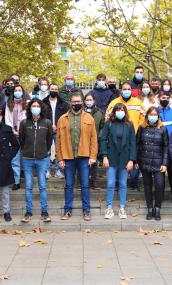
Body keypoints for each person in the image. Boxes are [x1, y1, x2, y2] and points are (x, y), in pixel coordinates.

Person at [56, 92, 98, 221]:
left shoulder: (89, 118)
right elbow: (58, 141)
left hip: (84, 156)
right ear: (70, 102)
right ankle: (67, 210)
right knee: (69, 185)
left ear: (82, 102)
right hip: (68, 157)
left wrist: (93, 156)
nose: (76, 103)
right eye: (74, 101)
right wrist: (60, 158)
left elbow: (94, 139)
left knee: (85, 185)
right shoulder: (62, 119)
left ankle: (86, 211)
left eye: (78, 101)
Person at [106, 82, 146, 190]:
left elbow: (144, 117)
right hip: (117, 136)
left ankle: (133, 181)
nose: (127, 91)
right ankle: (118, 183)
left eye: (129, 89)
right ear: (121, 90)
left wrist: (138, 128)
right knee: (118, 159)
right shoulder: (114, 103)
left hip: (135, 135)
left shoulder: (138, 103)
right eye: (125, 89)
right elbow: (107, 118)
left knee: (132, 157)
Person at [20, 99, 53, 223]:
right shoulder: (24, 123)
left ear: (41, 108)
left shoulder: (47, 123)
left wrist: (43, 150)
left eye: (37, 106)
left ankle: (44, 212)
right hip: (27, 159)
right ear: (29, 108)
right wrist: (26, 150)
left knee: (42, 186)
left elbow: (49, 141)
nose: (35, 107)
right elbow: (21, 140)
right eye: (33, 106)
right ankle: (28, 212)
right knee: (28, 186)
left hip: (42, 159)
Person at [101, 103, 136, 219]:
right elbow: (103, 140)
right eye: (118, 110)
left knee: (123, 184)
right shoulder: (109, 124)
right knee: (110, 183)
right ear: (114, 111)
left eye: (122, 110)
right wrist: (104, 156)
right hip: (111, 158)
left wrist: (131, 160)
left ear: (125, 112)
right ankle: (109, 207)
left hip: (125, 159)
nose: (120, 112)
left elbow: (132, 143)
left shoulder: (129, 125)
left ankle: (122, 208)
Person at [136, 107, 168, 220]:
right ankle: (150, 209)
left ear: (158, 116)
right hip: (144, 161)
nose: (153, 116)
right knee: (147, 186)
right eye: (151, 114)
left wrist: (164, 163)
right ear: (147, 116)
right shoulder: (141, 128)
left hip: (159, 163)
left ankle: (157, 208)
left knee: (159, 185)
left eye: (155, 114)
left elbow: (166, 147)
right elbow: (137, 145)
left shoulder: (163, 129)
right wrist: (136, 161)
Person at [5, 85, 29, 190]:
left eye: (20, 90)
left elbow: (28, 119)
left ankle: (27, 180)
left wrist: (21, 131)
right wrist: (13, 131)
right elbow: (7, 119)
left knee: (25, 158)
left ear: (22, 92)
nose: (18, 92)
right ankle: (16, 182)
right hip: (13, 133)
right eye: (16, 90)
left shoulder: (27, 104)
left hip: (25, 134)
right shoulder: (9, 104)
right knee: (15, 159)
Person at [43, 83, 69, 179]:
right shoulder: (43, 102)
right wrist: (49, 125)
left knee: (59, 150)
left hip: (60, 130)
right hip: (47, 130)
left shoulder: (64, 103)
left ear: (58, 90)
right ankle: (47, 170)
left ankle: (58, 170)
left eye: (55, 89)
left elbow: (66, 117)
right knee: (46, 151)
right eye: (52, 88)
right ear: (49, 90)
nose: (53, 90)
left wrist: (58, 126)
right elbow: (42, 117)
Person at [158, 91, 172, 202]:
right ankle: (159, 195)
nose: (165, 99)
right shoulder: (155, 112)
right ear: (159, 99)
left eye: (167, 97)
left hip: (171, 146)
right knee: (159, 172)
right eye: (163, 97)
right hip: (158, 146)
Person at [84, 93, 104, 188]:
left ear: (94, 100)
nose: (88, 102)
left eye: (90, 99)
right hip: (83, 141)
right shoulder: (81, 111)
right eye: (87, 100)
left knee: (94, 161)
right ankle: (82, 181)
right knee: (83, 162)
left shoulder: (99, 112)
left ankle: (94, 181)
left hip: (95, 141)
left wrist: (98, 137)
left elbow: (102, 126)